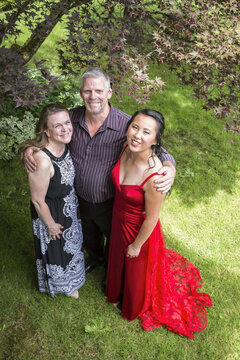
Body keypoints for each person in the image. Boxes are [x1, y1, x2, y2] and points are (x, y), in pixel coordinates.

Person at [24, 68, 176, 281]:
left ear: (109, 93)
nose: (93, 96)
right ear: (81, 93)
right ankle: (95, 258)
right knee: (89, 235)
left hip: (109, 200)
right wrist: (30, 149)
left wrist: (170, 167)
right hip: (79, 198)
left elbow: (158, 149)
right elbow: (49, 130)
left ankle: (113, 269)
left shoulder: (126, 124)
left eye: (98, 91)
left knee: (114, 238)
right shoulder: (71, 119)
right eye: (87, 91)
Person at [106, 109, 212, 338]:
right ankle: (116, 288)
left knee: (136, 267)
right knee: (117, 258)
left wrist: (136, 245)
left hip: (138, 230)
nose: (137, 135)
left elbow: (152, 218)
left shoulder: (155, 177)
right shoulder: (126, 149)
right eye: (134, 127)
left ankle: (133, 303)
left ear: (155, 140)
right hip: (118, 219)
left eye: (146, 132)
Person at [20, 104, 85, 299]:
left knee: (70, 247)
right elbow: (37, 200)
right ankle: (60, 284)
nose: (65, 129)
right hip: (50, 212)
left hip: (68, 207)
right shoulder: (42, 160)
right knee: (57, 250)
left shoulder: (65, 145)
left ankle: (72, 277)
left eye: (67, 122)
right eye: (57, 126)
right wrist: (50, 225)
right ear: (46, 131)